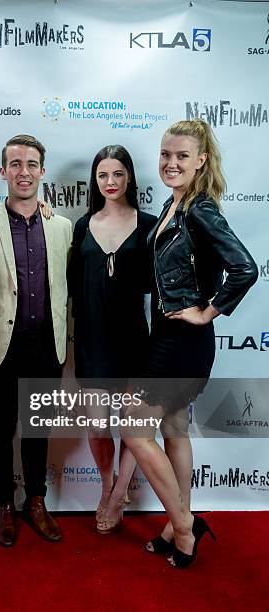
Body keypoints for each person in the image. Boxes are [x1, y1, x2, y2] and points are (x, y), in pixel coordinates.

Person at [121, 119, 258, 568]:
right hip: (168, 335)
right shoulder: (172, 206)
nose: (171, 163)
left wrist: (206, 310)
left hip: (184, 340)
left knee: (135, 429)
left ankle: (183, 523)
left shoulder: (200, 209)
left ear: (200, 161)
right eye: (165, 154)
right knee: (173, 429)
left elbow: (245, 268)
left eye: (182, 156)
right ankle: (176, 525)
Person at [0, 134, 72, 547]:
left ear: (42, 172)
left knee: (37, 429)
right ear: (2, 172)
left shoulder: (62, 226)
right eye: (15, 164)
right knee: (0, 428)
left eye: (31, 164)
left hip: (46, 346)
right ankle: (3, 505)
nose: (23, 172)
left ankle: (36, 501)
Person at [68, 145, 157, 533]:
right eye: (103, 175)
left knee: (134, 429)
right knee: (98, 426)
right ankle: (106, 486)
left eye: (118, 174)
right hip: (91, 341)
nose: (110, 182)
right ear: (95, 180)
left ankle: (120, 492)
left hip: (135, 341)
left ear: (129, 178)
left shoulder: (151, 224)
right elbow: (70, 285)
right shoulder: (81, 225)